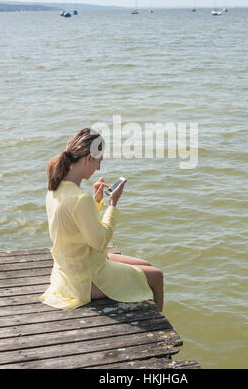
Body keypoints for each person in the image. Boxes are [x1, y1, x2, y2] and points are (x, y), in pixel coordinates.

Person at [40, 128, 164, 311]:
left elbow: (78, 224)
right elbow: (100, 241)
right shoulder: (81, 199)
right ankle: (159, 329)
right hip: (84, 280)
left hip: (69, 272)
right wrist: (113, 204)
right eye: (99, 161)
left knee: (146, 266)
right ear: (89, 158)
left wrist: (97, 201)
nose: (98, 168)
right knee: (157, 276)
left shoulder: (54, 190)